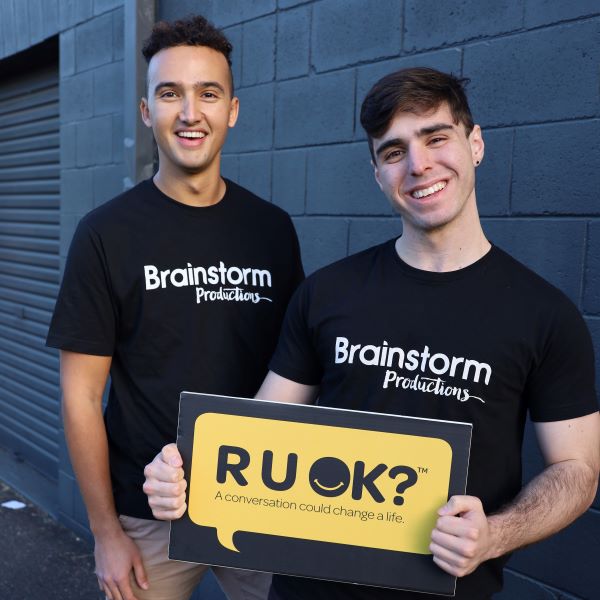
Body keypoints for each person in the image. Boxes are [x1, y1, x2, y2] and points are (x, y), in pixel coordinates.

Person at [143, 68, 600, 600]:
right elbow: (258, 430)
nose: (419, 164)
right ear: (377, 172)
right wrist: (184, 475)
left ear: (474, 145)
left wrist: (495, 535)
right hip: (307, 587)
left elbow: (577, 471)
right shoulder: (327, 294)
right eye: (393, 151)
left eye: (436, 138)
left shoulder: (544, 314)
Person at [46, 15, 303, 600]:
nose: (190, 112)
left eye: (208, 93)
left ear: (232, 110)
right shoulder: (105, 233)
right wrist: (106, 531)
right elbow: (81, 396)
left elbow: (294, 370)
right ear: (146, 112)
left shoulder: (272, 230)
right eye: (170, 94)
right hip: (147, 516)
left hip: (257, 503)